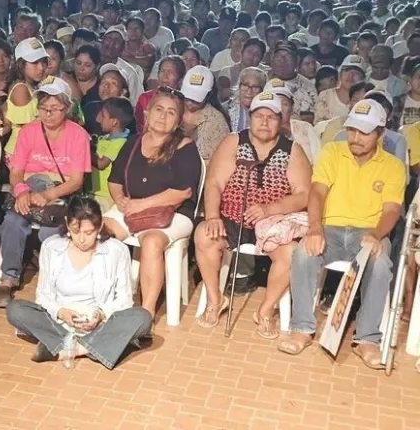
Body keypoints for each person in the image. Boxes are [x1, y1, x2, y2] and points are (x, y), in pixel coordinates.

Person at [278, 99, 403, 369]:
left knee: (381, 264)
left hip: (368, 232)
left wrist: (377, 235)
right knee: (303, 253)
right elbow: (318, 191)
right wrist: (314, 227)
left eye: (364, 132)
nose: (355, 138)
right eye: (352, 130)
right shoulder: (334, 151)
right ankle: (302, 328)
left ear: (381, 132)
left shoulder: (393, 166)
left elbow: (392, 210)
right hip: (330, 228)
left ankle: (367, 338)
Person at [195, 92, 311, 336]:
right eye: (259, 116)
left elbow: (304, 195)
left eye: (271, 117)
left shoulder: (293, 150)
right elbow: (214, 182)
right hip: (231, 217)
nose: (265, 122)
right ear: (250, 117)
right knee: (204, 235)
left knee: (291, 254)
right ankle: (216, 300)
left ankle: (266, 310)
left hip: (272, 223)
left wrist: (270, 209)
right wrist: (213, 216)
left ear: (281, 120)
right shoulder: (233, 142)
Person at [5, 197, 152, 368]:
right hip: (60, 321)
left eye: (88, 233)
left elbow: (124, 300)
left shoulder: (116, 250)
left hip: (100, 324)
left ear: (100, 226)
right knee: (15, 309)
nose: (81, 239)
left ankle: (71, 349)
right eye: (76, 232)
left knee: (143, 318)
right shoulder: (51, 247)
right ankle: (99, 345)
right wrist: (61, 312)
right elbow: (43, 295)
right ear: (67, 224)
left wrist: (101, 314)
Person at [0, 77, 92, 308]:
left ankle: (52, 283)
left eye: (55, 109)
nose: (48, 114)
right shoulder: (28, 131)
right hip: (30, 187)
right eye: (43, 108)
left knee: (51, 232)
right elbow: (16, 172)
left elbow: (76, 181)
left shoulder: (77, 135)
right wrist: (22, 191)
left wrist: (47, 195)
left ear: (67, 108)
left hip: (60, 191)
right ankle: (8, 278)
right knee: (12, 222)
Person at [103, 87, 202, 317]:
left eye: (170, 113)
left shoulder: (185, 147)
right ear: (147, 112)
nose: (162, 116)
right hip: (132, 207)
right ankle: (103, 300)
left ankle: (145, 313)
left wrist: (141, 204)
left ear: (178, 121)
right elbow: (115, 179)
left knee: (152, 242)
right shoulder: (134, 142)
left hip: (173, 214)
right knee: (98, 231)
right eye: (158, 109)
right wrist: (120, 200)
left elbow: (183, 192)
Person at [3, 37, 49, 156]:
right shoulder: (20, 89)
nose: (41, 67)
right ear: (21, 64)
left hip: (33, 152)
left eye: (44, 61)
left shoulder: (33, 86)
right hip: (20, 154)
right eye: (34, 62)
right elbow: (30, 130)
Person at [180, 66, 231, 163]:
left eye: (196, 99)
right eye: (187, 97)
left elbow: (218, 160)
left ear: (209, 95)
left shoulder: (216, 121)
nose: (190, 103)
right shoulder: (174, 110)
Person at [91, 97, 134, 203]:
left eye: (103, 116)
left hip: (106, 195)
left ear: (114, 122)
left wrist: (85, 149)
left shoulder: (120, 143)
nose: (98, 119)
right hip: (95, 192)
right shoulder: (104, 138)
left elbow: (102, 164)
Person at [134, 55, 186, 132]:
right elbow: (139, 127)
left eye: (170, 72)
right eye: (162, 71)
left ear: (180, 78)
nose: (165, 76)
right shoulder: (145, 98)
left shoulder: (183, 102)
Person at [227, 66, 268, 132]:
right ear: (239, 86)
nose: (249, 91)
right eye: (245, 85)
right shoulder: (226, 110)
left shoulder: (268, 114)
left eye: (255, 87)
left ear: (262, 91)